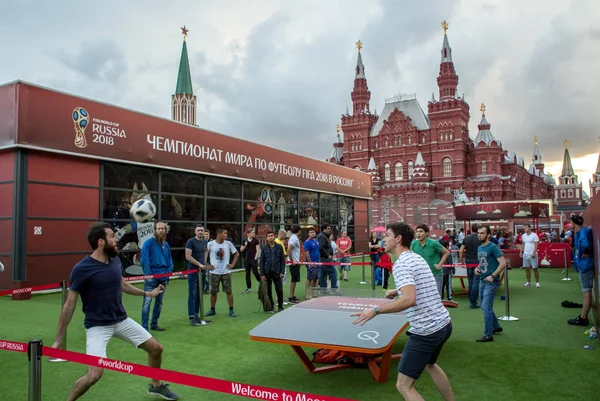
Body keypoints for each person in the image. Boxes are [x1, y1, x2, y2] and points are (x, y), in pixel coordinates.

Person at [51, 222, 178, 400]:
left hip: (121, 320)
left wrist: (147, 293)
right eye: (112, 236)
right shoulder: (82, 268)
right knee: (94, 374)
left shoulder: (115, 260)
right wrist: (58, 340)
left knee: (156, 349)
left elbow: (122, 284)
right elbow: (69, 305)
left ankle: (155, 386)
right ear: (101, 242)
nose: (116, 239)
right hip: (97, 326)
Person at [351, 223, 454, 401]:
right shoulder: (415, 257)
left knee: (403, 385)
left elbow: (409, 300)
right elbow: (418, 285)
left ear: (398, 239)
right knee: (431, 364)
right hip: (444, 324)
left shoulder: (401, 265)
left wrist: (375, 310)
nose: (384, 239)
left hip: (426, 331)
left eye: (387, 235)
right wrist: (396, 291)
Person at [474, 225, 506, 342]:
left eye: (482, 233)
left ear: (488, 235)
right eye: (478, 233)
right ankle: (496, 327)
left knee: (485, 308)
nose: (479, 235)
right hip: (482, 280)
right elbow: (482, 263)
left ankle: (488, 335)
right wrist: (477, 269)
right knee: (485, 306)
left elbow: (503, 263)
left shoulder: (493, 247)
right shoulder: (479, 248)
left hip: (491, 281)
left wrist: (493, 276)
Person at [140, 221, 173, 332]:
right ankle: (145, 327)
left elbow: (169, 260)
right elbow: (144, 260)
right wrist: (149, 275)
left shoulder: (166, 244)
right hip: (152, 277)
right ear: (155, 230)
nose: (161, 230)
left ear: (165, 230)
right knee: (147, 302)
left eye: (162, 228)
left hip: (163, 277)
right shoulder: (149, 243)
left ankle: (154, 323)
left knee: (159, 302)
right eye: (158, 228)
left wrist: (168, 271)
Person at [205, 228, 239, 317]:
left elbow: (236, 254)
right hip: (214, 273)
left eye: (226, 233)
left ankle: (231, 310)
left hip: (226, 272)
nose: (226, 235)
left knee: (229, 291)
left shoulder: (228, 244)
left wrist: (232, 265)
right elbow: (204, 255)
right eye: (224, 233)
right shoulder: (210, 244)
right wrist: (207, 266)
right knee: (213, 292)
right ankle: (212, 309)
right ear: (219, 234)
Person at [568, 215, 594, 326]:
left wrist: (584, 253)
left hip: (585, 265)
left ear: (574, 223)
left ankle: (583, 318)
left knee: (586, 291)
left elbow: (585, 245)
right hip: (583, 265)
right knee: (586, 291)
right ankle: (583, 317)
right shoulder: (581, 231)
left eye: (571, 223)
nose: (570, 225)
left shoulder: (582, 232)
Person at [411, 224, 450, 298]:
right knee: (423, 299)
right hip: (421, 276)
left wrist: (439, 265)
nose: (418, 233)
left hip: (435, 274)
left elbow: (446, 253)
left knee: (436, 299)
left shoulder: (433, 243)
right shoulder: (414, 244)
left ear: (426, 233)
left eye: (421, 231)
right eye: (417, 232)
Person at [185, 224, 207, 326]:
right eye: (198, 230)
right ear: (195, 232)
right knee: (192, 293)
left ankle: (197, 314)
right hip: (193, 272)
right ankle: (192, 316)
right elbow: (188, 256)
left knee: (199, 293)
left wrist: (205, 264)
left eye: (201, 230)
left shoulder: (204, 242)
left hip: (201, 272)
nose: (200, 232)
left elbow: (205, 252)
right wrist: (199, 264)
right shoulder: (191, 242)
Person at [260, 230, 286, 312]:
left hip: (277, 271)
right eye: (269, 236)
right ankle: (271, 306)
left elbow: (282, 260)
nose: (270, 237)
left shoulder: (279, 247)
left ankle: (280, 306)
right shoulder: (264, 248)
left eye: (271, 235)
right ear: (266, 238)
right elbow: (261, 261)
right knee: (268, 290)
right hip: (267, 272)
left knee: (279, 289)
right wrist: (262, 274)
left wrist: (282, 272)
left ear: (274, 236)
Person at [459, 224, 480, 308]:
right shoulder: (479, 238)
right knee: (476, 281)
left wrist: (462, 261)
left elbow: (461, 250)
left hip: (468, 261)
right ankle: (473, 301)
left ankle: (471, 299)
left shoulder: (466, 238)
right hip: (477, 261)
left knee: (470, 281)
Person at [240, 228, 261, 294]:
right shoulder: (244, 240)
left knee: (255, 272)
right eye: (252, 233)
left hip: (253, 259)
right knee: (247, 274)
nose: (254, 234)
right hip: (247, 259)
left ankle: (262, 284)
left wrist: (255, 258)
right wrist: (245, 245)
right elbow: (241, 250)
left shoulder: (255, 240)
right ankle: (249, 288)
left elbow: (258, 250)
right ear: (248, 234)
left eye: (254, 232)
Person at [317, 225, 337, 290]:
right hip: (326, 259)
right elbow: (320, 247)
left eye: (329, 228)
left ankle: (323, 290)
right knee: (333, 273)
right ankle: (334, 289)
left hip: (324, 258)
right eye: (328, 228)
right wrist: (327, 255)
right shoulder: (322, 236)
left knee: (323, 275)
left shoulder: (323, 236)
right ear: (324, 229)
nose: (329, 230)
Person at [520, 224, 540, 288]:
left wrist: (534, 253)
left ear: (530, 228)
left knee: (535, 268)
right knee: (527, 269)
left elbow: (536, 245)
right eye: (524, 228)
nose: (524, 229)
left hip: (532, 253)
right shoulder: (523, 236)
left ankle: (537, 282)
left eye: (526, 228)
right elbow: (523, 244)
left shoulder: (534, 235)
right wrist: (521, 251)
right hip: (525, 253)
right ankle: (528, 282)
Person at [303, 228, 321, 299]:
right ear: (308, 234)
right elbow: (306, 253)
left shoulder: (316, 240)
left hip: (317, 262)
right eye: (310, 232)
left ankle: (313, 293)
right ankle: (307, 294)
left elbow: (317, 251)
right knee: (309, 278)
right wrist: (310, 263)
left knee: (315, 278)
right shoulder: (307, 242)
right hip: (311, 263)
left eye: (313, 232)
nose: (312, 233)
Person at [286, 225, 302, 303]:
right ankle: (291, 297)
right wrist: (292, 261)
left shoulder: (294, 238)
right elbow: (289, 250)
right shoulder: (294, 239)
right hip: (294, 263)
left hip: (296, 262)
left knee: (295, 280)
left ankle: (292, 296)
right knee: (293, 280)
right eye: (300, 231)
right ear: (298, 231)